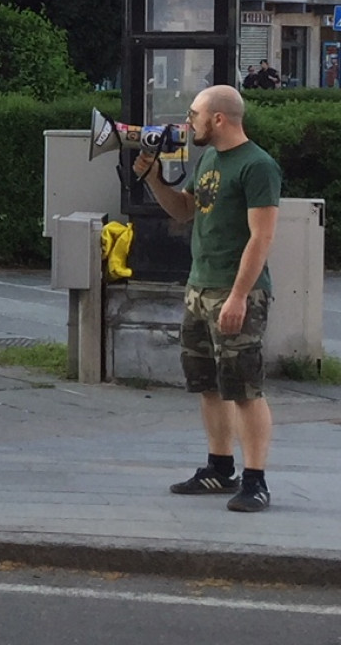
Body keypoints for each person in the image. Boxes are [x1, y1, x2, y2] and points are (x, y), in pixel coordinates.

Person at [138, 85, 282, 513]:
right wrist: (153, 179)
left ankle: (256, 481)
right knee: (207, 385)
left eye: (194, 113)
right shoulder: (209, 160)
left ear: (218, 118)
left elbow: (262, 236)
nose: (188, 121)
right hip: (199, 287)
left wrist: (239, 296)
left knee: (244, 388)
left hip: (237, 291)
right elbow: (184, 211)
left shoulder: (257, 166)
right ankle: (220, 467)